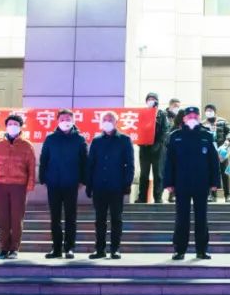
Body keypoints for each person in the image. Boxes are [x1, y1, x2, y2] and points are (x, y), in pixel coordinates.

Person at [163, 107, 220, 260]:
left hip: (202, 182)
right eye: (189, 116)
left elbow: (213, 161)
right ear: (184, 118)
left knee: (201, 217)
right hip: (181, 183)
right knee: (182, 218)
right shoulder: (175, 136)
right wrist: (168, 182)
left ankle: (202, 250)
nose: (192, 118)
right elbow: (169, 162)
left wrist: (215, 182)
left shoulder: (207, 135)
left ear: (199, 118)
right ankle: (179, 250)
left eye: (195, 116)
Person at [39, 109, 88, 259]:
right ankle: (56, 248)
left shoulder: (79, 139)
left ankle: (69, 248)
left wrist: (83, 180)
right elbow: (44, 159)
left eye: (68, 119)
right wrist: (43, 178)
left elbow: (84, 161)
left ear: (73, 121)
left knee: (70, 217)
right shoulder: (50, 139)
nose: (65, 122)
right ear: (57, 121)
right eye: (62, 119)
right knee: (55, 217)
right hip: (53, 183)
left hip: (71, 183)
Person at [86, 112, 135, 259]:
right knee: (99, 219)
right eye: (105, 120)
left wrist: (127, 183)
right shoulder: (96, 141)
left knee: (116, 219)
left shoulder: (124, 140)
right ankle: (100, 249)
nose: (107, 122)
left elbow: (130, 164)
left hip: (116, 186)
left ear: (116, 122)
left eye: (110, 119)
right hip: (99, 186)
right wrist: (89, 184)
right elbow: (90, 164)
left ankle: (115, 249)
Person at [0, 114, 36, 260]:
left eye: (15, 124)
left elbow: (31, 167)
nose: (12, 126)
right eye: (10, 124)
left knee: (16, 218)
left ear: (20, 127)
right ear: (6, 126)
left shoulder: (27, 146)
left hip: (18, 186)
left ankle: (14, 248)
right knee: (3, 219)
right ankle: (3, 248)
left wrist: (30, 184)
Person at [136, 92, 169, 204]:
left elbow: (165, 131)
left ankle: (158, 197)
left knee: (158, 174)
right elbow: (137, 129)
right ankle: (142, 197)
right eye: (149, 99)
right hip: (144, 148)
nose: (151, 101)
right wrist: (140, 142)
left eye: (153, 99)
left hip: (158, 149)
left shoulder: (162, 114)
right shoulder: (142, 113)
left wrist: (159, 144)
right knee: (144, 174)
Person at [201, 104, 230, 202]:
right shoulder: (203, 123)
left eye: (210, 110)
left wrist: (227, 140)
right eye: (207, 111)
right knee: (211, 173)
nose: (209, 112)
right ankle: (212, 195)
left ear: (215, 112)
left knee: (224, 173)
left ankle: (227, 195)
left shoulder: (222, 121)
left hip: (221, 150)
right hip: (209, 151)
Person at [165, 98, 182, 203]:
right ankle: (170, 193)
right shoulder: (164, 116)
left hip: (178, 148)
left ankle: (174, 194)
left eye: (178, 106)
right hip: (167, 147)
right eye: (175, 106)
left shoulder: (179, 117)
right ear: (170, 105)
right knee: (170, 171)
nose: (177, 108)